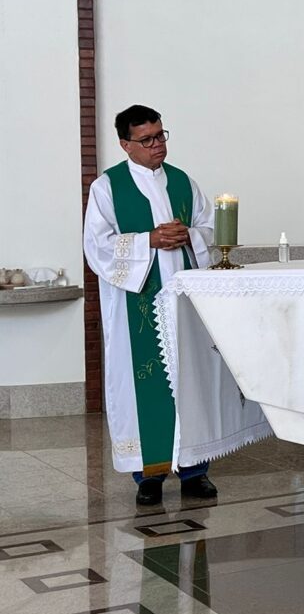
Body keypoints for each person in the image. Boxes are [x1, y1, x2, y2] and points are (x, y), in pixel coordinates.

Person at [83, 105, 219, 505]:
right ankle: (149, 476)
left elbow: (212, 230)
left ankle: (195, 472)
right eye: (147, 140)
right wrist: (149, 241)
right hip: (137, 309)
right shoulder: (108, 188)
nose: (157, 145)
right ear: (126, 145)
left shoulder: (183, 182)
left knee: (191, 382)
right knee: (146, 385)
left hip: (183, 306)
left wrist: (190, 236)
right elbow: (97, 247)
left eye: (161, 136)